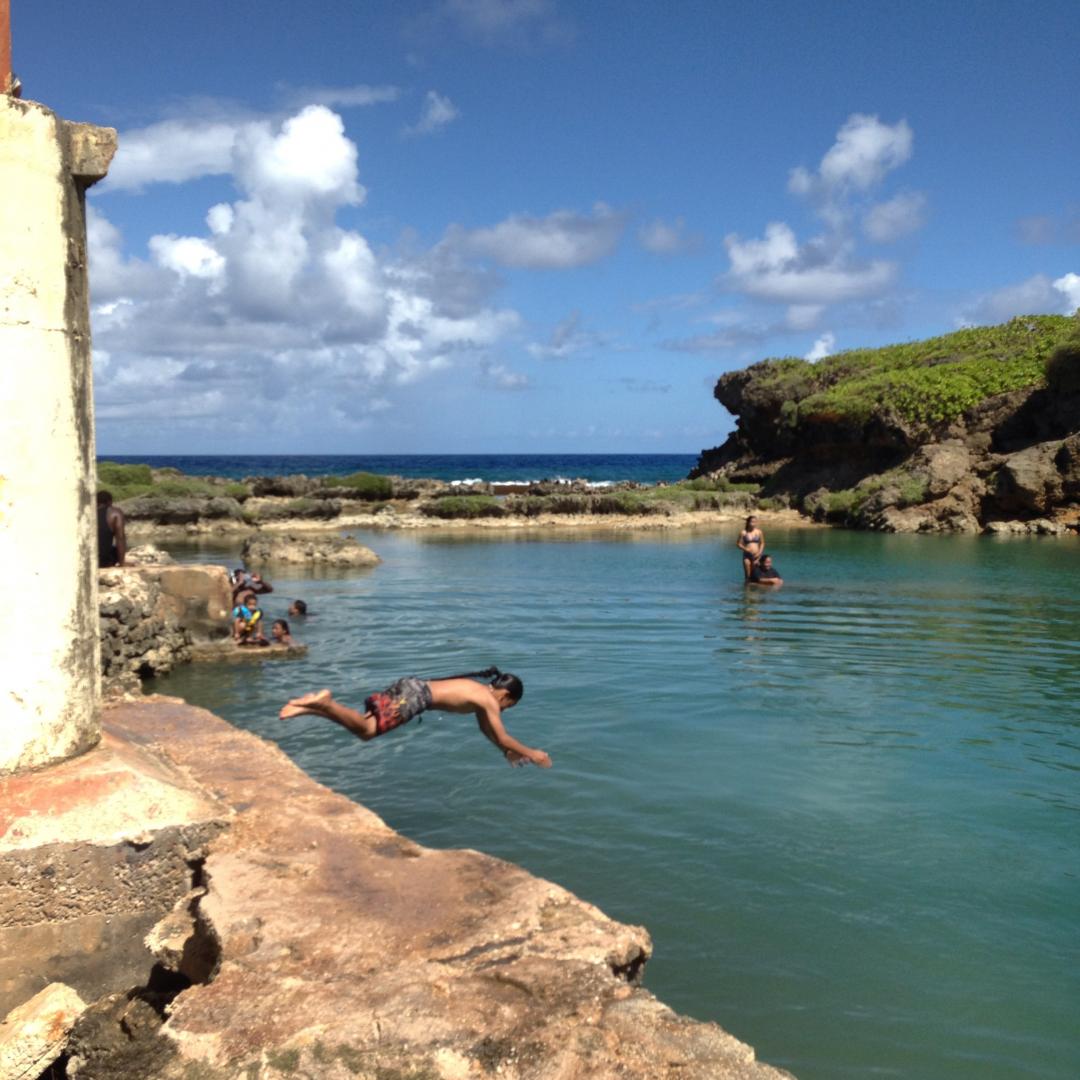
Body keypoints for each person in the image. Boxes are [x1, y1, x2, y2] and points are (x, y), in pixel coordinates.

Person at [279, 667, 552, 768]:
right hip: (415, 698)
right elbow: (502, 733)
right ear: (505, 696)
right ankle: (326, 704)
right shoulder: (488, 700)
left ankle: (310, 708)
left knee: (365, 726)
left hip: (411, 687)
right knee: (366, 731)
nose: (503, 710)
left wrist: (506, 752)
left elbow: (488, 733)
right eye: (509, 706)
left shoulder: (480, 695)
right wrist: (533, 753)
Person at [97, 490, 127, 568]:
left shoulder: (87, 512)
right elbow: (120, 538)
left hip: (87, 558)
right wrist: (122, 563)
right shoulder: (115, 513)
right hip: (103, 561)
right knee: (114, 550)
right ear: (110, 502)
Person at [736, 514, 765, 581]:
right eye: (752, 522)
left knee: (756, 574)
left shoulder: (759, 532)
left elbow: (762, 543)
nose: (754, 523)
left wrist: (760, 553)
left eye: (755, 522)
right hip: (747, 555)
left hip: (757, 555)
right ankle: (747, 589)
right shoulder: (743, 532)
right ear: (748, 522)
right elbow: (738, 544)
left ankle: (756, 589)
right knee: (748, 576)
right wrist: (745, 549)